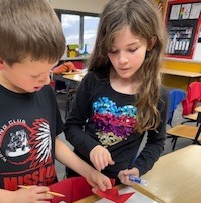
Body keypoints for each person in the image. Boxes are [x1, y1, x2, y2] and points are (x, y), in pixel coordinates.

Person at [0, 0, 112, 203]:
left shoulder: (43, 89)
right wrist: (9, 199)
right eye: (36, 74)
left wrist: (87, 171)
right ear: (0, 61)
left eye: (50, 70)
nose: (46, 80)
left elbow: (52, 141)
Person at [64, 0, 169, 186]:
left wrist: (137, 169)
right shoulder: (94, 80)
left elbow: (156, 142)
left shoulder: (157, 95)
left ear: (150, 43)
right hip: (79, 174)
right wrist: (92, 147)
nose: (122, 60)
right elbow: (72, 126)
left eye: (132, 49)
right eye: (113, 51)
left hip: (115, 182)